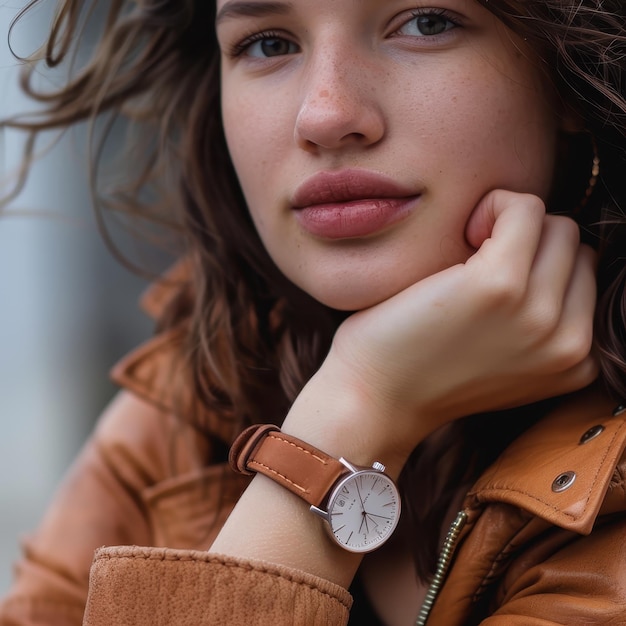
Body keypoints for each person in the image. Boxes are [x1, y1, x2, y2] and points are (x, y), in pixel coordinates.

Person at [1, 0, 626, 624]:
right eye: (268, 44)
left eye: (426, 22)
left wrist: (360, 403)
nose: (325, 115)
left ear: (567, 73)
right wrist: (356, 410)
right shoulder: (192, 401)